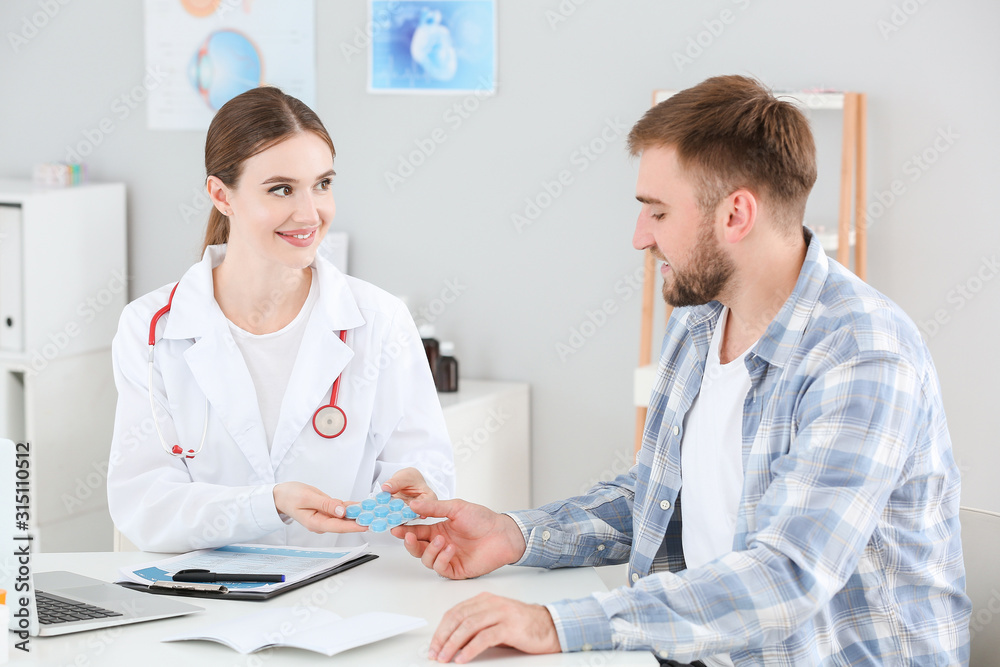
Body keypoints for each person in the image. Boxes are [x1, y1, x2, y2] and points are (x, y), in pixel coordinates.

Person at [393, 75, 970, 665]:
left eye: (659, 212)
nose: (640, 237)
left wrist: (555, 625)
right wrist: (515, 534)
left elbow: (787, 576)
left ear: (736, 214)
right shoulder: (700, 324)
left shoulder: (862, 353)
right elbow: (665, 492)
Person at [107, 86, 454, 553]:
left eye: (323, 184)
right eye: (281, 189)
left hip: (349, 602)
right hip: (212, 598)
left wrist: (415, 489)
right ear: (221, 195)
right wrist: (267, 505)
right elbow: (145, 505)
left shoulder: (379, 320)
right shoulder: (152, 329)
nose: (310, 213)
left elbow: (422, 472)